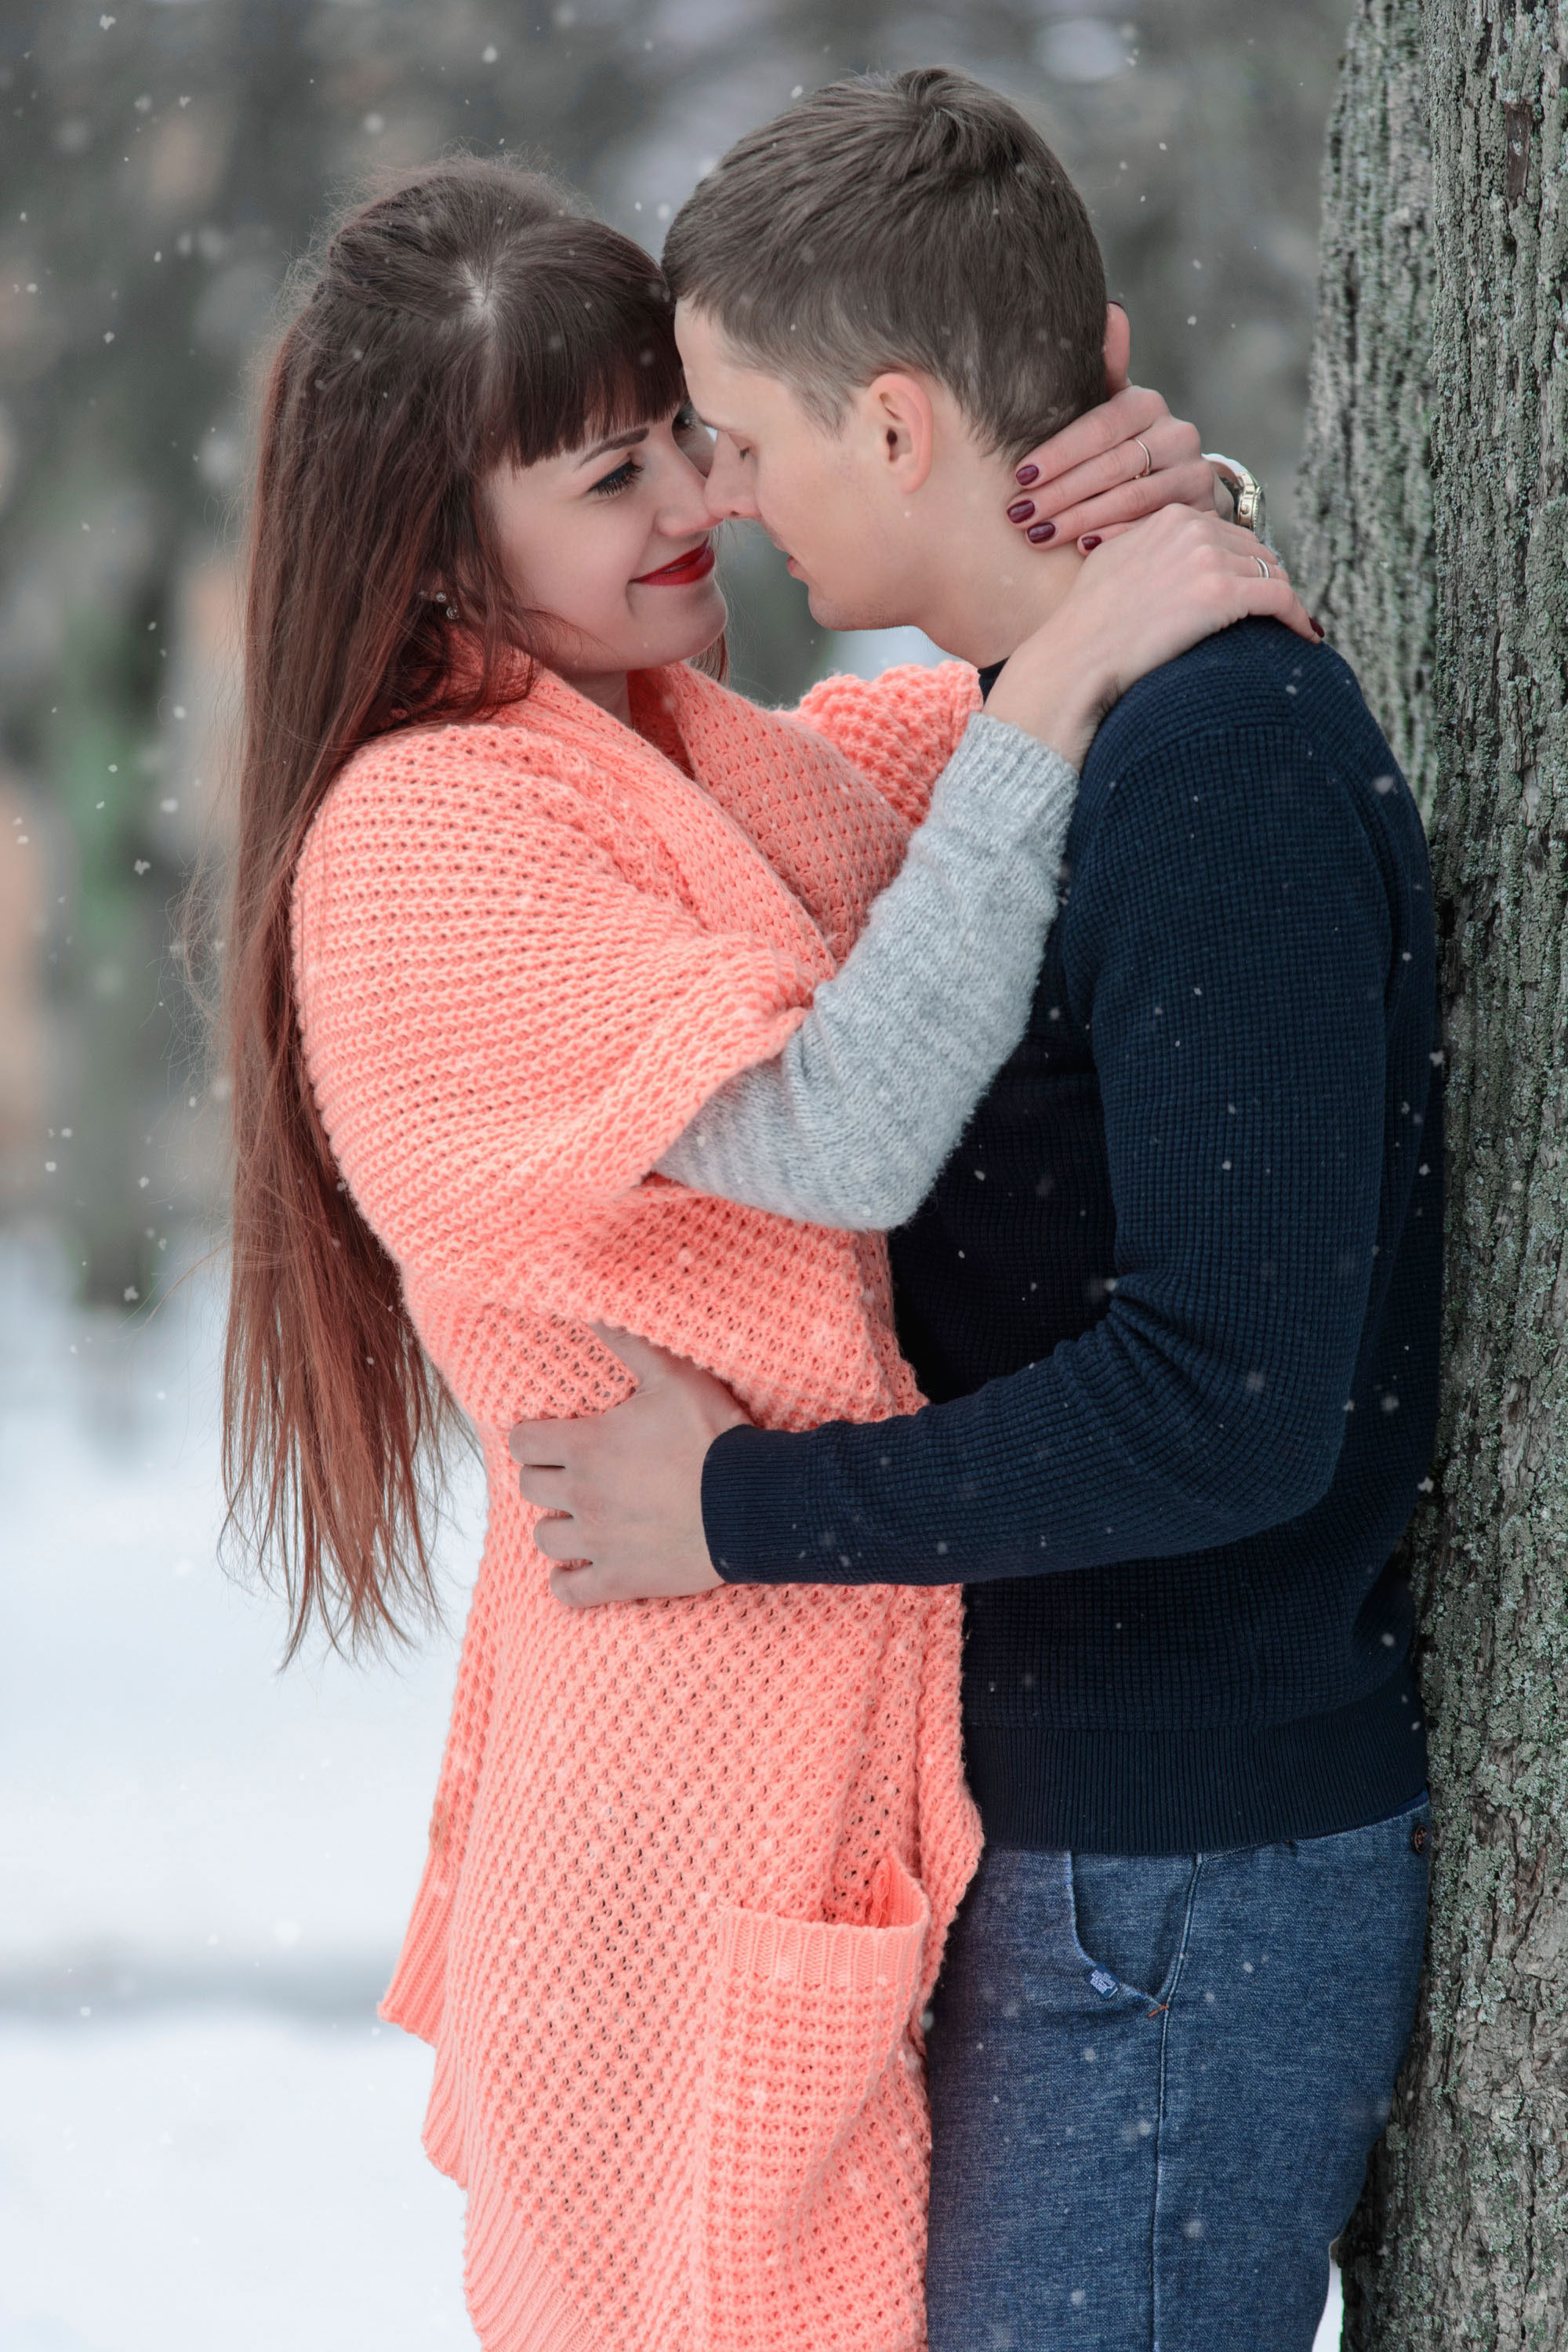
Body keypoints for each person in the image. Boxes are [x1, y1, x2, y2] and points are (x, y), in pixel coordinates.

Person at [220, 140, 1301, 2351]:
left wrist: (1137, 534)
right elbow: (844, 1120)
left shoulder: (671, 742)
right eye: (615, 472)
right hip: (677, 1825)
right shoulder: (430, 837)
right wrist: (1058, 680)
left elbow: (1010, 768)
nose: (693, 501)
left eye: (695, 439)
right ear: (439, 551)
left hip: (816, 1744)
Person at [509, 70, 1441, 2352]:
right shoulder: (1053, 729)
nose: (718, 496)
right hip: (1079, 1856)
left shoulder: (1215, 769)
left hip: (1181, 1882)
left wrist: (742, 1512)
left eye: (731, 432)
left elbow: (1226, 1406)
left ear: (900, 428)